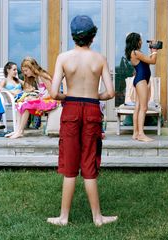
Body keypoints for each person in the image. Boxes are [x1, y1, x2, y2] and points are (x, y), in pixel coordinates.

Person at [47, 15, 117, 227]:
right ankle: (97, 218)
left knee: (70, 163)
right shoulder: (100, 58)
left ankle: (63, 217)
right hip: (92, 109)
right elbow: (111, 92)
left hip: (71, 109)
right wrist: (96, 97)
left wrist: (65, 97)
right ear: (92, 36)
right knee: (89, 161)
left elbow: (53, 92)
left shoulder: (64, 57)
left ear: (72, 36)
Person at [4, 57, 58, 139]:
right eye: (23, 71)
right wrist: (34, 97)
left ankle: (20, 131)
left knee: (26, 105)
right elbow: (43, 93)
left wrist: (36, 99)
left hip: (51, 102)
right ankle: (17, 130)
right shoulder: (37, 77)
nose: (25, 73)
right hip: (44, 100)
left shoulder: (43, 76)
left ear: (32, 68)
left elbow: (52, 94)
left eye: (26, 70)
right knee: (20, 104)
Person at [125, 32, 158, 142]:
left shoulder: (135, 53)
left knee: (138, 107)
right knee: (143, 108)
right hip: (141, 81)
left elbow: (146, 61)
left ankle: (135, 133)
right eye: (140, 39)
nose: (142, 41)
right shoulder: (136, 53)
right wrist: (154, 50)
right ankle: (141, 134)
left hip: (140, 80)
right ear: (136, 41)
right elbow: (153, 61)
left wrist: (151, 51)